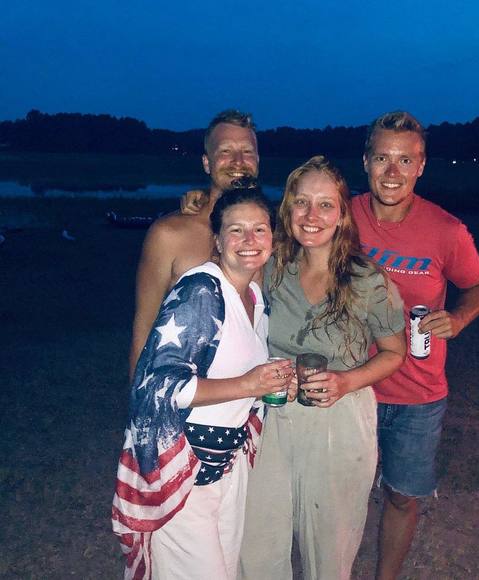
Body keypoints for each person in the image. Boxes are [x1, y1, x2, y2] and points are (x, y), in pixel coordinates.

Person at [238, 156, 407, 580]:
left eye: (325, 204)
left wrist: (347, 381)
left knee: (328, 552)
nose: (311, 215)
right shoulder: (269, 267)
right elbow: (223, 238)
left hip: (340, 420)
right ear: (287, 208)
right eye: (301, 202)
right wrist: (201, 203)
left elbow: (394, 353)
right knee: (256, 545)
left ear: (342, 214)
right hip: (270, 416)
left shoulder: (369, 280)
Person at [112, 188, 293, 580]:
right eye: (236, 230)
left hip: (228, 465)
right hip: (184, 468)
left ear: (272, 238)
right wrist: (248, 384)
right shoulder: (201, 291)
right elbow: (158, 385)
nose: (249, 240)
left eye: (259, 229)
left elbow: (239, 374)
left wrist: (270, 385)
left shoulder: (254, 296)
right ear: (218, 241)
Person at [351, 111, 479, 580]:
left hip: (418, 394)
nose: (392, 172)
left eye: (405, 160)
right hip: (352, 386)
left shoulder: (446, 230)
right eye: (382, 158)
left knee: (401, 496)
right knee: (341, 492)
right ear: (366, 161)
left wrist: (459, 317)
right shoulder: (341, 216)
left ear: (421, 166)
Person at [129, 109, 260, 379]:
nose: (238, 161)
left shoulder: (271, 237)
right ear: (207, 163)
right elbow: (143, 329)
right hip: (185, 393)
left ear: (257, 161)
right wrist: (139, 397)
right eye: (225, 151)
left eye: (247, 152)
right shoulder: (168, 234)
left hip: (253, 392)